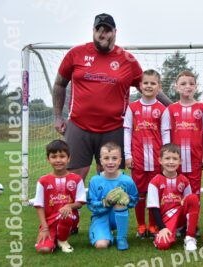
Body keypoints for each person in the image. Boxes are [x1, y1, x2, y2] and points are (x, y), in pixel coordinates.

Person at [53, 13, 172, 180]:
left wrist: (174, 108)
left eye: (107, 30)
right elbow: (59, 84)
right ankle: (69, 207)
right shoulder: (76, 53)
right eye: (98, 29)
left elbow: (150, 88)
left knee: (109, 176)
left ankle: (106, 207)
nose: (102, 34)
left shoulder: (127, 60)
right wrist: (58, 116)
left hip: (113, 128)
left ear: (115, 32)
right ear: (93, 31)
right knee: (74, 177)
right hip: (79, 125)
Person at [123, 69, 168, 238]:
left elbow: (165, 134)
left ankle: (153, 225)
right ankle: (141, 225)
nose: (149, 86)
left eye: (153, 83)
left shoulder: (162, 109)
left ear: (159, 87)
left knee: (155, 192)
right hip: (138, 158)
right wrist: (127, 155)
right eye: (146, 83)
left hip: (156, 159)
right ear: (140, 86)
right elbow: (127, 132)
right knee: (140, 193)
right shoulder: (132, 108)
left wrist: (165, 157)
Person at [161, 70, 203, 197]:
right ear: (176, 87)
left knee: (194, 193)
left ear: (196, 87)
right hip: (177, 158)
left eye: (191, 84)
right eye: (183, 84)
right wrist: (168, 155)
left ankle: (192, 217)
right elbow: (166, 133)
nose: (187, 86)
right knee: (177, 192)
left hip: (195, 157)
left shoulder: (202, 108)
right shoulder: (170, 109)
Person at [34, 140, 86, 254]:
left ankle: (62, 240)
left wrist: (69, 205)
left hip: (69, 218)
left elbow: (81, 201)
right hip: (50, 222)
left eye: (62, 156)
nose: (58, 160)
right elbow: (39, 205)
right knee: (44, 250)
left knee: (66, 214)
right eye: (54, 157)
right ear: (48, 159)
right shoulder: (43, 181)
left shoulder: (77, 179)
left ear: (68, 158)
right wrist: (44, 228)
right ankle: (53, 237)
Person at [146, 143, 200, 251]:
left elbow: (189, 202)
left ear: (180, 161)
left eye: (175, 159)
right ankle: (169, 232)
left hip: (180, 213)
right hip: (166, 218)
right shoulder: (154, 182)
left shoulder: (184, 180)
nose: (171, 162)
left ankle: (189, 237)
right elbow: (154, 208)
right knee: (163, 245)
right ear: (160, 160)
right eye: (167, 158)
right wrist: (162, 228)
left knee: (193, 198)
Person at [87, 142, 138, 250]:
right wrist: (105, 202)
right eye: (106, 158)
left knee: (120, 200)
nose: (110, 162)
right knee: (101, 245)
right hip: (100, 216)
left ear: (120, 160)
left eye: (114, 158)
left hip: (118, 215)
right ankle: (105, 234)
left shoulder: (127, 181)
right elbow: (90, 205)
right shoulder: (95, 180)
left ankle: (121, 238)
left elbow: (135, 199)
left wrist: (128, 199)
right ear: (100, 161)